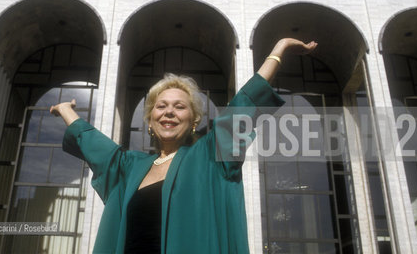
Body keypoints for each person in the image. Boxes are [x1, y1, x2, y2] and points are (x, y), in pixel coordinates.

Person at [50, 38, 317, 254]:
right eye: (161, 107)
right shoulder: (130, 167)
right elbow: (96, 146)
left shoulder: (211, 157)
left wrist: (278, 50)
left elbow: (242, 108)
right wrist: (66, 111)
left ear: (193, 121)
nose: (169, 112)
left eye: (179, 107)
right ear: (150, 121)